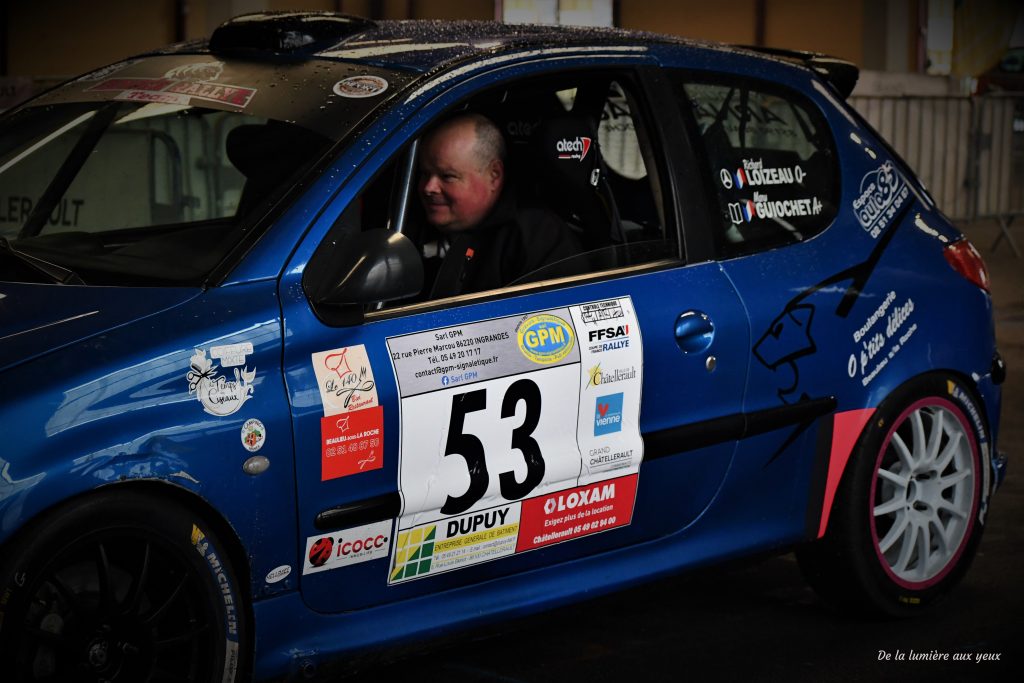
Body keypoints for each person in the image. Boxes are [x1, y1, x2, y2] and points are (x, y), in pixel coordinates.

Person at [418, 112, 581, 297]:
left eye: (447, 176)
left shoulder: (536, 240)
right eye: (424, 174)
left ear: (494, 175)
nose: (428, 187)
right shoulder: (405, 220)